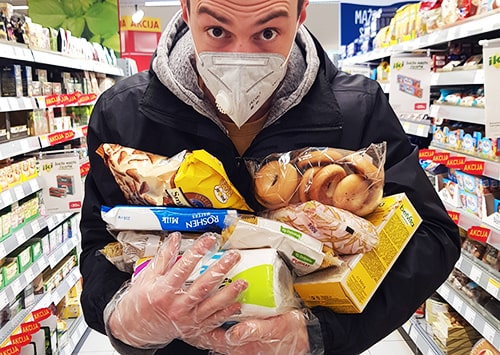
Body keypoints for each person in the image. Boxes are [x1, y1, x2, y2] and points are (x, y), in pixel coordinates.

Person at [79, 0, 461, 354]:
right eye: (217, 31)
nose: (240, 56)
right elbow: (101, 243)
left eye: (267, 32)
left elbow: (433, 237)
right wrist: (122, 315)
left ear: (301, 14)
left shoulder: (358, 108)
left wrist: (318, 334)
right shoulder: (124, 114)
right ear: (185, 9)